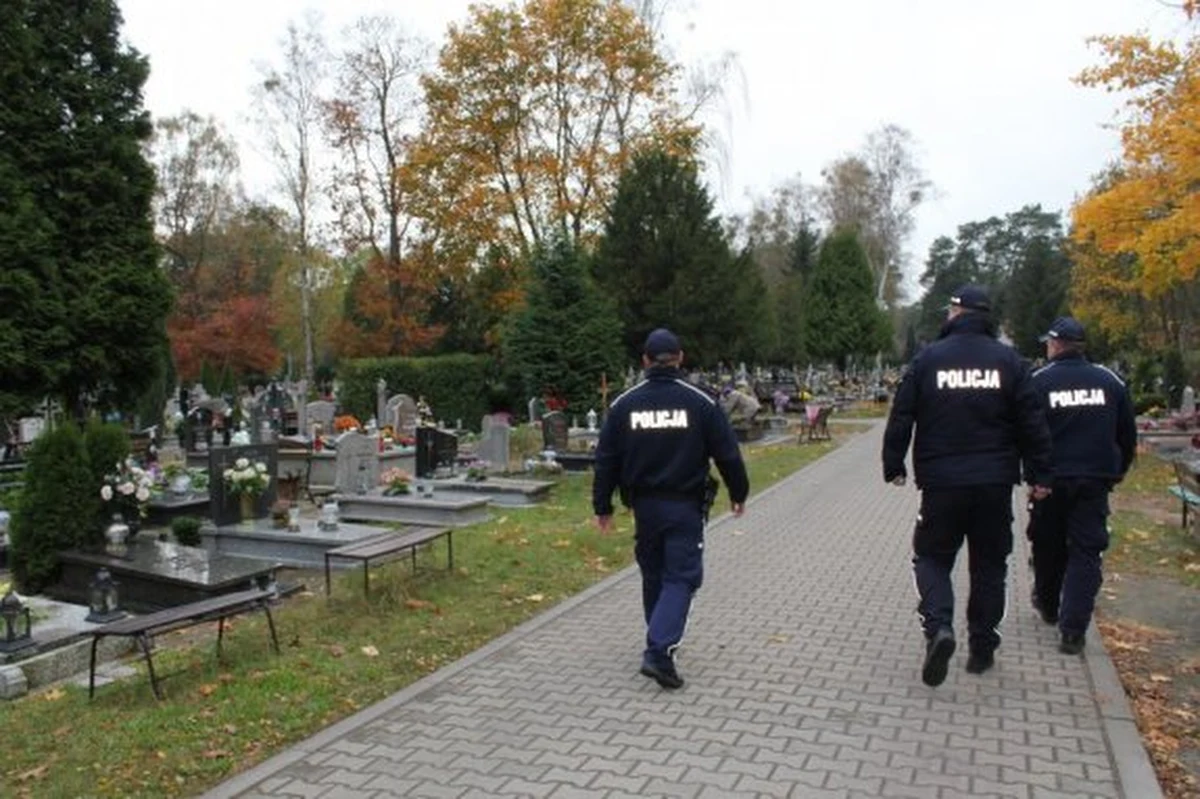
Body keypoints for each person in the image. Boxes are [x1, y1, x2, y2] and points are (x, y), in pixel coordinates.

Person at [882, 285, 1054, 687]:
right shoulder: (1009, 361)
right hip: (994, 482)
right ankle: (982, 649)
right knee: (990, 565)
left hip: (941, 482)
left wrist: (893, 465)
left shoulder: (928, 359)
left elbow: (903, 413)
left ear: (957, 313)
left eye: (950, 308)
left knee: (931, 558)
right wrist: (1041, 475)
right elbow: (1032, 422)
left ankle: (939, 627)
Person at [593, 328, 750, 690]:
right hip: (684, 505)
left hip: (644, 507)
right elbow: (727, 453)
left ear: (645, 361)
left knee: (654, 574)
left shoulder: (624, 404)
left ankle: (658, 636)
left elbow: (606, 460)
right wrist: (738, 492)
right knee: (681, 576)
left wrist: (603, 506)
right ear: (680, 358)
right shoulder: (700, 402)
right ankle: (659, 651)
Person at [1027, 316, 1136, 655]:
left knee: (1047, 544)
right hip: (1094, 479)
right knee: (1086, 551)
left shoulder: (1039, 381)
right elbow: (1126, 432)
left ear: (1055, 345)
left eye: (1048, 343)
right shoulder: (1109, 381)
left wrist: (1033, 476)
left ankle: (1049, 604)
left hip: (1052, 480)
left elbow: (1028, 434)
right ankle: (1073, 631)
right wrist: (1117, 470)